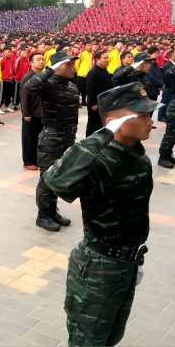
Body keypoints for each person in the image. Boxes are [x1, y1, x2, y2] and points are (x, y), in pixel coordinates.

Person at [44, 82, 162, 347]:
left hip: (127, 264)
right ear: (115, 122)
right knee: (88, 342)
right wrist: (101, 135)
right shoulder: (95, 158)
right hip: (98, 269)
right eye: (141, 114)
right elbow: (55, 181)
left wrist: (136, 258)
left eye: (149, 114)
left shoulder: (137, 156)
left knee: (111, 337)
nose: (149, 121)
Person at [24, 50, 79, 232]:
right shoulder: (49, 83)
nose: (73, 67)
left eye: (73, 63)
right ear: (57, 67)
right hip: (52, 139)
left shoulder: (71, 85)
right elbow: (29, 87)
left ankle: (53, 211)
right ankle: (42, 215)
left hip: (68, 137)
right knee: (47, 178)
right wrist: (50, 70)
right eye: (68, 64)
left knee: (58, 177)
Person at [20, 53, 45, 170]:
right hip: (31, 114)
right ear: (31, 63)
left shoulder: (44, 76)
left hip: (41, 113)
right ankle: (28, 161)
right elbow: (24, 97)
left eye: (42, 59)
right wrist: (26, 113)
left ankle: (36, 160)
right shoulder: (28, 77)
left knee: (39, 138)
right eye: (38, 60)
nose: (41, 62)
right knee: (29, 138)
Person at [85, 51, 112, 137]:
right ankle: (88, 141)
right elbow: (90, 88)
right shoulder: (93, 72)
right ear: (97, 60)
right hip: (96, 103)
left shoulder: (105, 71)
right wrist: (93, 103)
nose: (107, 60)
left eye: (107, 58)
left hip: (104, 102)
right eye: (104, 58)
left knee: (101, 124)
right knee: (93, 124)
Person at [157, 50, 175, 122]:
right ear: (172, 56)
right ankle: (161, 116)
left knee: (168, 101)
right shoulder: (168, 65)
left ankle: (166, 115)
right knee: (165, 102)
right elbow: (167, 78)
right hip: (168, 87)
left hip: (171, 87)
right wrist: (169, 86)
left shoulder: (173, 64)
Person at [74, 41, 93, 105]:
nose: (90, 46)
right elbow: (77, 64)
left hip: (89, 75)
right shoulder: (82, 54)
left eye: (91, 45)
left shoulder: (91, 54)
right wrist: (77, 72)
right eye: (88, 45)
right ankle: (76, 101)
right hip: (81, 74)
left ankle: (83, 101)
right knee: (79, 89)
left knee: (86, 89)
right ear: (84, 47)